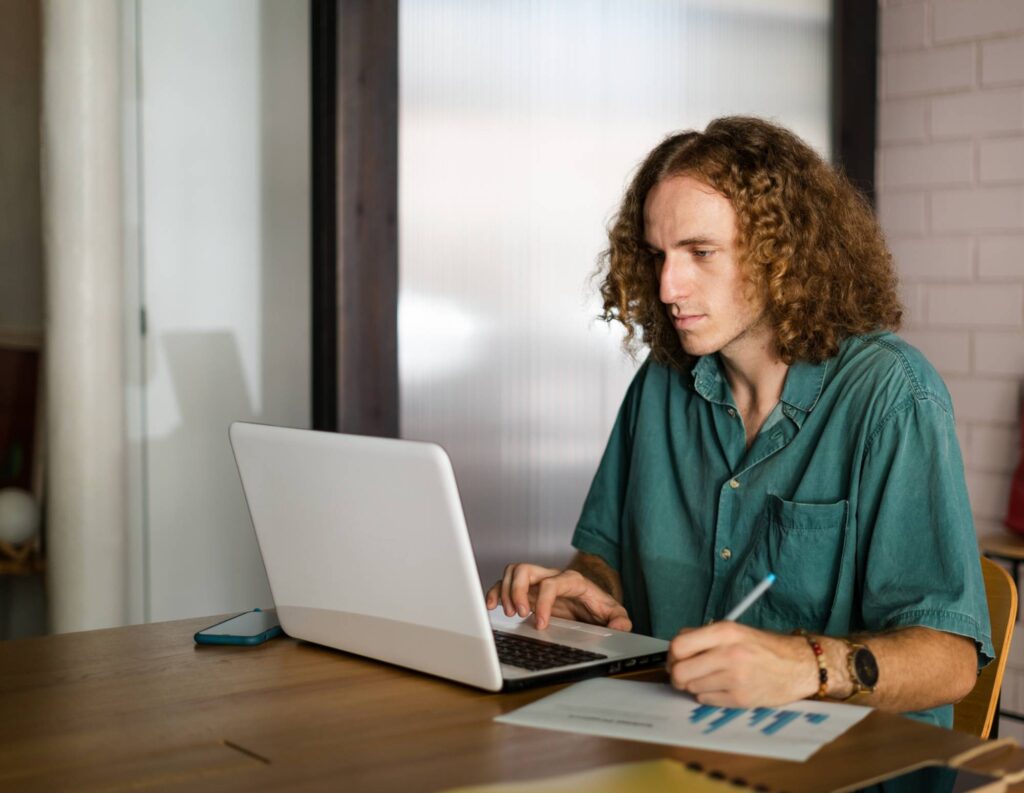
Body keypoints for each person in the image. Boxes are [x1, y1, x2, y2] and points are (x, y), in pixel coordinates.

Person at [485, 116, 992, 728]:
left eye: (701, 253)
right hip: (671, 739)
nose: (669, 286)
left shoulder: (891, 396)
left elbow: (951, 661)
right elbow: (605, 560)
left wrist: (803, 666)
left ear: (785, 254)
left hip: (840, 764)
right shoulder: (661, 384)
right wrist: (586, 590)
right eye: (658, 256)